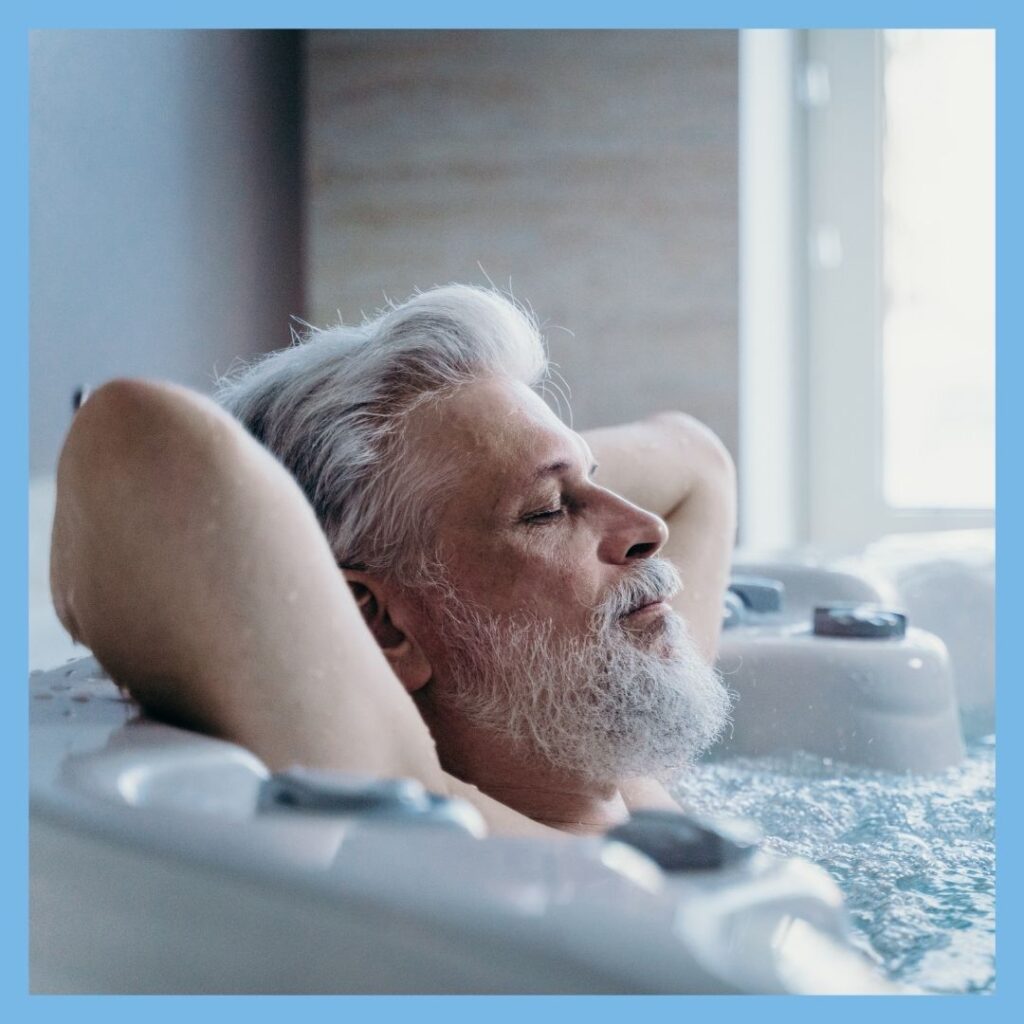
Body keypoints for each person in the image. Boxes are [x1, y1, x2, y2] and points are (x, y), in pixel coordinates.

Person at [50, 285, 736, 838]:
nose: (646, 528)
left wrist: (508, 458)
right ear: (380, 625)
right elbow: (136, 439)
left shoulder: (619, 753)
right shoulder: (429, 818)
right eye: (547, 511)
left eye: (594, 479)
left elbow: (699, 465)